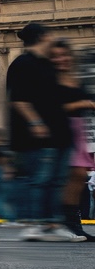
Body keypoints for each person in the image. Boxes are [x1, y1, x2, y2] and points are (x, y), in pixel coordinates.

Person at [46, 37, 95, 241]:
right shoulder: (50, 81)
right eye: (56, 56)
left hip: (82, 131)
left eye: (64, 55)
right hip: (64, 132)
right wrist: (79, 104)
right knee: (72, 176)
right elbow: (49, 109)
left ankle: (74, 224)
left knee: (79, 177)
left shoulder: (76, 80)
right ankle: (67, 224)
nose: (61, 59)